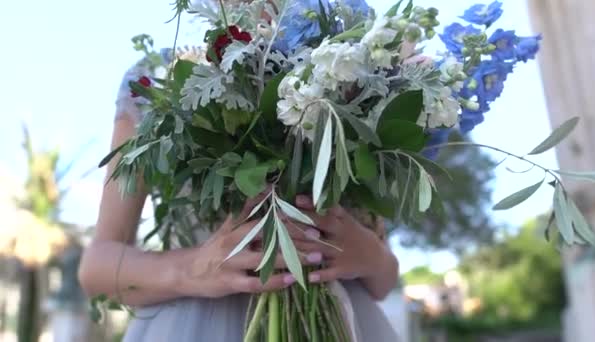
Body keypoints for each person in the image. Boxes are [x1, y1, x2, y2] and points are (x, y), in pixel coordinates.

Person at [78, 46, 400, 342]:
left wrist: (369, 254)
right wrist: (194, 268)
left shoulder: (350, 65)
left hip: (343, 320)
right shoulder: (161, 76)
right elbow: (96, 269)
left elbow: (383, 282)